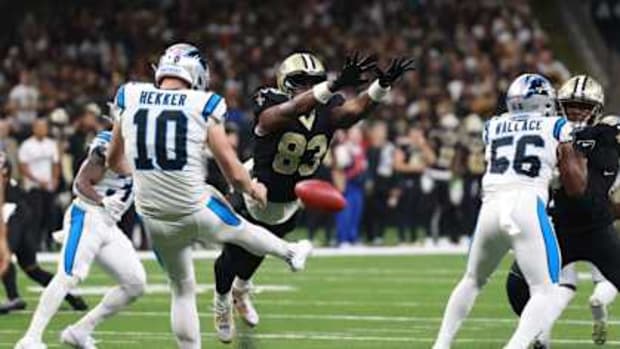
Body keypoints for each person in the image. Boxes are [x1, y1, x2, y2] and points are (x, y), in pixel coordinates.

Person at [105, 43, 314, 348]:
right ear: (196, 72)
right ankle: (291, 253)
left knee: (181, 289)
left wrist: (142, 175)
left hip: (152, 215)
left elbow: (113, 161)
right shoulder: (202, 102)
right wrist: (252, 187)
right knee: (241, 229)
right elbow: (231, 167)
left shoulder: (129, 95)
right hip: (193, 206)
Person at [212, 52, 415, 341]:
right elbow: (285, 113)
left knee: (258, 250)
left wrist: (381, 85)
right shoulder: (269, 100)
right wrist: (330, 86)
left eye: (313, 82)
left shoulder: (327, 108)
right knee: (234, 253)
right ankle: (221, 302)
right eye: (300, 81)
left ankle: (241, 291)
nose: (307, 87)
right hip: (255, 187)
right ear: (284, 82)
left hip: (290, 196)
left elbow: (354, 110)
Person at [432, 73, 586, 349]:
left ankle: (441, 345)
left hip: (490, 207)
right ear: (544, 101)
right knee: (546, 290)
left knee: (472, 280)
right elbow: (574, 184)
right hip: (527, 205)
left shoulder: (493, 125)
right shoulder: (557, 125)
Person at [505, 75, 620, 347]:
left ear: (597, 110)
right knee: (517, 287)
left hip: (598, 229)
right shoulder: (548, 131)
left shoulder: (608, 135)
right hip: (557, 228)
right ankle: (538, 334)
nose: (577, 111)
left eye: (583, 106)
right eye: (570, 105)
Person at [15, 129, 146, 349]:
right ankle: (30, 339)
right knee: (68, 275)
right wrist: (102, 201)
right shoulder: (110, 143)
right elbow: (80, 183)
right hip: (88, 216)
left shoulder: (150, 143)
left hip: (109, 225)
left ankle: (80, 331)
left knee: (135, 283)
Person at [0, 155, 87, 314]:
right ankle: (70, 297)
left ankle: (14, 297)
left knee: (3, 256)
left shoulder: (6, 185)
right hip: (22, 214)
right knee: (31, 268)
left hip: (13, 213)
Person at [18, 118, 60, 250]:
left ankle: (49, 242)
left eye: (44, 127)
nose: (42, 130)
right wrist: (37, 181)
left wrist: (55, 179)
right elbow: (23, 167)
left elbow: (55, 164)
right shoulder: (26, 145)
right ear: (34, 128)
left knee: (50, 215)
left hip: (48, 186)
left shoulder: (51, 144)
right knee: (36, 216)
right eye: (39, 127)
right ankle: (34, 244)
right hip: (33, 187)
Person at [393, 124, 435, 243]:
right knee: (404, 210)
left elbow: (432, 160)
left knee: (418, 210)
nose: (416, 136)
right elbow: (397, 165)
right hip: (405, 181)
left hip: (419, 182)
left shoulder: (422, 147)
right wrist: (416, 168)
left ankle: (414, 237)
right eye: (414, 133)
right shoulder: (403, 147)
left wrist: (423, 145)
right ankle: (402, 237)